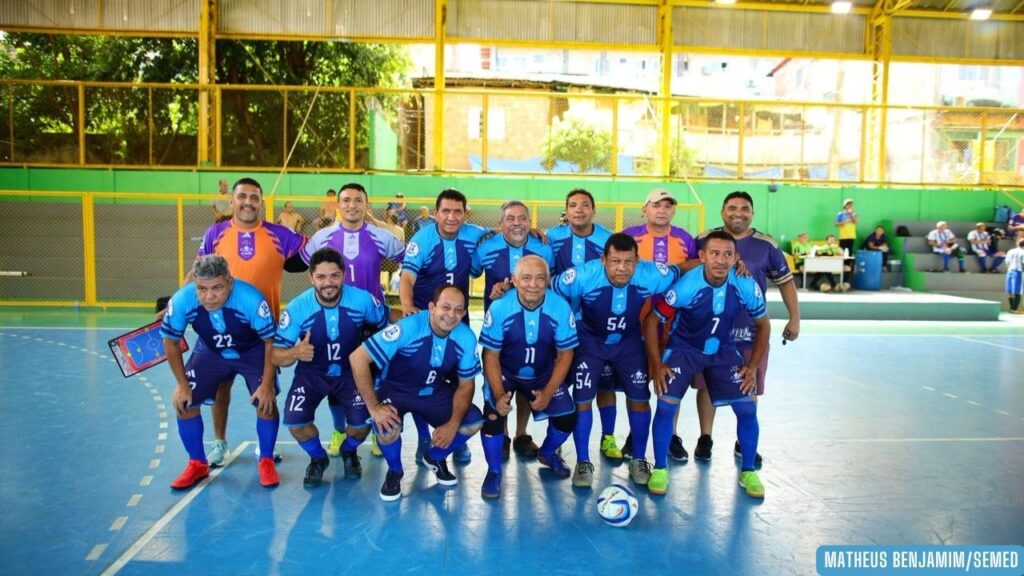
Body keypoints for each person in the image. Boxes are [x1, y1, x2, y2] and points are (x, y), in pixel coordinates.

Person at [644, 230, 770, 498]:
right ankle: (660, 468)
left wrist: (753, 366)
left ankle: (748, 471)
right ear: (702, 256)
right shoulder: (686, 286)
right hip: (683, 350)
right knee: (666, 406)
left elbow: (764, 324)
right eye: (714, 254)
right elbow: (652, 321)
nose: (721, 260)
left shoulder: (745, 283)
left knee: (747, 410)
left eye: (728, 255)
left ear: (736, 257)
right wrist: (657, 366)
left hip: (724, 352)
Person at [552, 233, 680, 488]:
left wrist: (723, 264)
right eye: (615, 261)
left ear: (638, 261)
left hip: (629, 343)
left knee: (640, 398)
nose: (622, 268)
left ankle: (640, 459)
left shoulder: (651, 273)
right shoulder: (584, 275)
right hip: (590, 343)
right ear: (603, 260)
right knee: (583, 399)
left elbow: (681, 270)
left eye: (629, 262)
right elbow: (551, 287)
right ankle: (583, 462)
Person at [194, 177, 306, 468]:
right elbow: (198, 274)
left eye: (254, 197)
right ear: (231, 201)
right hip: (218, 327)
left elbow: (312, 251)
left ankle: (265, 449)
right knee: (221, 388)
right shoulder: (215, 233)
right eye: (242, 196)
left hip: (261, 334)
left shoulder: (280, 234)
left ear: (261, 203)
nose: (247, 202)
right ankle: (219, 443)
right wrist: (176, 302)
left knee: (265, 393)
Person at [692, 191, 800, 467]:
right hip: (710, 328)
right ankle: (706, 437)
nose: (737, 213)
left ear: (752, 213)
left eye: (744, 209)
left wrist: (794, 318)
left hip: (751, 330)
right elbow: (689, 270)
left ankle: (744, 442)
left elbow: (785, 282)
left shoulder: (767, 245)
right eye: (731, 208)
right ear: (722, 212)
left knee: (749, 383)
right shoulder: (704, 238)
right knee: (706, 385)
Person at [349, 285, 485, 501]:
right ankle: (395, 471)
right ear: (432, 307)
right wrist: (374, 408)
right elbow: (358, 358)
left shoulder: (466, 337)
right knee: (386, 426)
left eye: (459, 310)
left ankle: (434, 457)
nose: (451, 315)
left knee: (473, 421)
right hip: (396, 390)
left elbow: (466, 385)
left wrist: (451, 424)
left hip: (433, 392)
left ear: (465, 313)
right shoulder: (409, 327)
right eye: (446, 307)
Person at [272, 248, 392, 487]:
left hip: (352, 374)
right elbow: (275, 354)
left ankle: (349, 452)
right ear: (311, 278)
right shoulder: (298, 308)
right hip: (311, 374)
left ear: (344, 275)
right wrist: (296, 352)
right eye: (321, 277)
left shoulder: (362, 300)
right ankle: (318, 458)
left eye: (334, 276)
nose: (328, 283)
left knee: (361, 425)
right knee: (295, 422)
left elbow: (385, 327)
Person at [301, 182, 405, 457]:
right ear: (338, 205)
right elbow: (308, 269)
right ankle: (338, 430)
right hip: (335, 321)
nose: (351, 205)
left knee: (375, 377)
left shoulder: (382, 237)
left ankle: (373, 427)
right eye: (346, 200)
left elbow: (408, 263)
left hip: (373, 321)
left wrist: (407, 303)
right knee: (337, 378)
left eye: (358, 200)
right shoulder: (322, 237)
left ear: (366, 205)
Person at [161, 255, 280, 489]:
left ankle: (266, 459)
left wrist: (266, 385)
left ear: (230, 282)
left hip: (252, 351)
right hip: (210, 351)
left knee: (266, 403)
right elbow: (170, 342)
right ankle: (197, 463)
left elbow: (270, 342)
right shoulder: (183, 299)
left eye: (217, 288)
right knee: (184, 403)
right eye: (202, 289)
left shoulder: (251, 299)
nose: (209, 296)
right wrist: (182, 384)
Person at [399, 188, 487, 465]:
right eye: (445, 211)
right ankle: (424, 437)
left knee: (453, 376)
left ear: (465, 214)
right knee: (420, 379)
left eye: (457, 211)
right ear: (436, 213)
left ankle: (454, 433)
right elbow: (406, 279)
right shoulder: (422, 239)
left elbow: (502, 231)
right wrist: (407, 309)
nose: (451, 217)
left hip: (456, 319)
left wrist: (531, 228)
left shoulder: (473, 233)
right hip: (426, 320)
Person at [478, 256, 578, 498]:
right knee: (492, 413)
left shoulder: (560, 307)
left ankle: (548, 452)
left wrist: (549, 391)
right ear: (514, 280)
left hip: (542, 374)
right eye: (526, 278)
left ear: (548, 281)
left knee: (567, 416)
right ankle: (493, 472)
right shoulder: (500, 307)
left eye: (540, 278)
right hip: (507, 373)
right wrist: (500, 394)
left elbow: (566, 354)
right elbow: (490, 355)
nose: (533, 284)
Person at [620, 188, 697, 464]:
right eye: (656, 205)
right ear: (645, 208)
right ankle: (634, 433)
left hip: (677, 323)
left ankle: (672, 435)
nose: (662, 210)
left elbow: (699, 267)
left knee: (671, 383)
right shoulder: (630, 236)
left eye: (668, 206)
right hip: (636, 321)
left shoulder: (685, 239)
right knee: (637, 382)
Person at [472, 201, 555, 458]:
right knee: (500, 380)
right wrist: (496, 293)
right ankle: (503, 435)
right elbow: (473, 273)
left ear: (530, 222)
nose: (516, 223)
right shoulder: (486, 247)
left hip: (534, 327)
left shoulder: (543, 247)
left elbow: (547, 285)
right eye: (510, 218)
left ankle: (521, 434)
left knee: (527, 379)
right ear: (501, 223)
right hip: (497, 329)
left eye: (522, 218)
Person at [546, 188, 613, 276]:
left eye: (585, 205)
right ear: (566, 212)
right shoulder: (552, 236)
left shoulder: (608, 239)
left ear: (594, 211)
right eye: (573, 205)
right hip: (558, 289)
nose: (579, 210)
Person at [1005, 238, 1024, 314]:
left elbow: (1007, 262)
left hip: (1009, 271)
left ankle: (1011, 308)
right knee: (1018, 292)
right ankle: (1014, 309)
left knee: (1010, 291)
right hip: (1019, 272)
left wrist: (1009, 270)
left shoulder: (1011, 251)